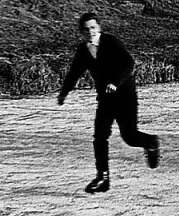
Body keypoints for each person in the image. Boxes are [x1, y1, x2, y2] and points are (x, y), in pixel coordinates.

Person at [57, 13, 160, 193]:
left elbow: (129, 63)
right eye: (86, 29)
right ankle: (103, 177)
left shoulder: (111, 42)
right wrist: (63, 94)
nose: (90, 32)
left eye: (93, 27)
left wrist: (115, 82)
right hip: (105, 99)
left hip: (125, 97)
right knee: (100, 136)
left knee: (129, 136)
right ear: (81, 32)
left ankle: (150, 142)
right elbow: (74, 73)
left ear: (99, 28)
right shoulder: (83, 50)